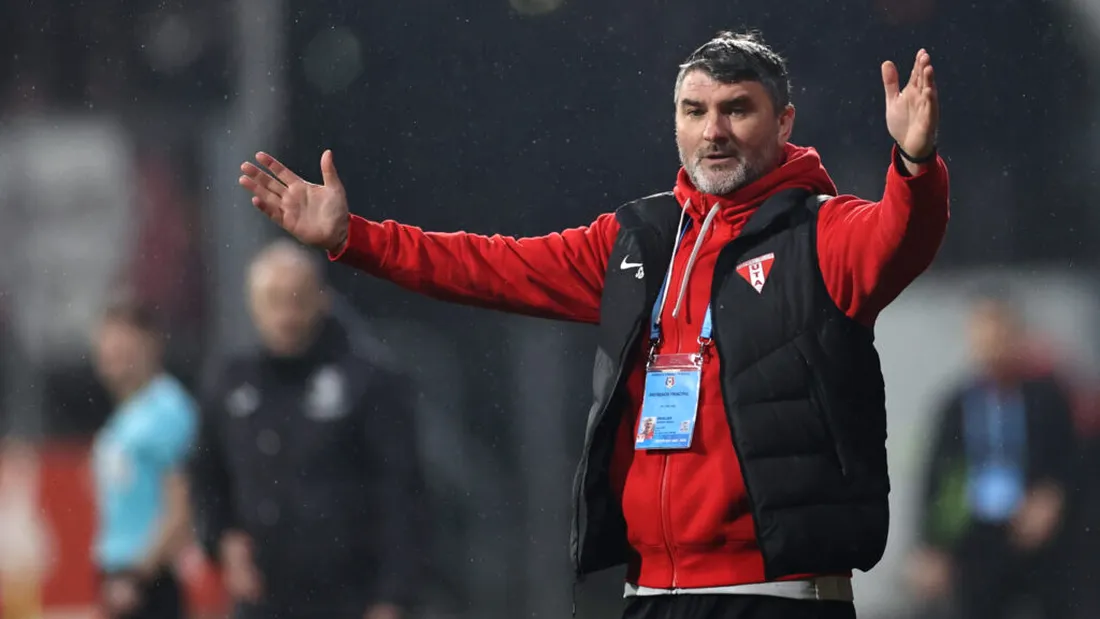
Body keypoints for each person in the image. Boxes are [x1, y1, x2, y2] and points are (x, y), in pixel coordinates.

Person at [238, 30, 950, 619]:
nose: (714, 131)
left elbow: (901, 235)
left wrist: (914, 163)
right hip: (652, 593)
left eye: (738, 110)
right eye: (695, 111)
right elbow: (490, 266)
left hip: (774, 595)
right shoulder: (640, 239)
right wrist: (354, 238)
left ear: (784, 123)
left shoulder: (822, 233)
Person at [188, 240, 420, 619]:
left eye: (297, 298)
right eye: (274, 300)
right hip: (264, 597)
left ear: (322, 299)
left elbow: (402, 494)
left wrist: (394, 596)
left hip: (350, 595)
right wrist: (221, 539)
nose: (286, 314)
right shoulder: (230, 382)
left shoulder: (367, 381)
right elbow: (205, 475)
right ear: (253, 304)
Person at [908, 295, 1076, 619]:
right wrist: (931, 545)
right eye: (983, 335)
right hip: (976, 537)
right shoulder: (956, 405)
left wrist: (1052, 495)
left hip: (1035, 535)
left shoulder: (1046, 398)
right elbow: (936, 477)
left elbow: (1071, 460)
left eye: (1000, 333)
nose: (991, 345)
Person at [91, 302, 198, 619]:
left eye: (123, 348)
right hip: (120, 574)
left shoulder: (167, 410)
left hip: (145, 578)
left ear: (150, 346)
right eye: (108, 348)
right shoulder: (127, 414)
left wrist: (136, 577)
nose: (112, 357)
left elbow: (181, 508)